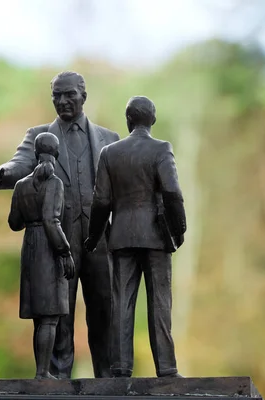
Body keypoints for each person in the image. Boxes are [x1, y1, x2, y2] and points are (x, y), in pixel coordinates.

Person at [0, 71, 119, 378]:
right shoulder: (39, 136)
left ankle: (110, 379)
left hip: (101, 239)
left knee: (106, 311)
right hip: (57, 238)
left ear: (83, 96)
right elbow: (19, 164)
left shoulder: (110, 139)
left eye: (68, 94)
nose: (62, 101)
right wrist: (0, 173)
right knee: (59, 313)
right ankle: (56, 380)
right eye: (56, 96)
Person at [84, 96, 186, 378]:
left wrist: (93, 238)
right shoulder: (161, 149)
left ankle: (120, 367)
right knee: (160, 303)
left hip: (121, 236)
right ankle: (166, 368)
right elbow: (172, 192)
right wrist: (179, 229)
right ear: (152, 120)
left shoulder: (109, 152)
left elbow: (101, 201)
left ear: (128, 120)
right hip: (156, 235)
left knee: (121, 304)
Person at [8, 132, 75, 379]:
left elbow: (14, 223)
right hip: (49, 248)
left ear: (36, 154)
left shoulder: (20, 185)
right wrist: (65, 252)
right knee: (49, 317)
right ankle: (42, 373)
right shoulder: (55, 183)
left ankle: (42, 371)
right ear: (55, 155)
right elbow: (51, 220)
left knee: (40, 315)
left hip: (30, 247)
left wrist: (27, 211)